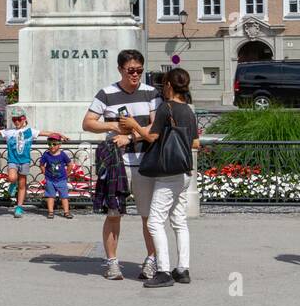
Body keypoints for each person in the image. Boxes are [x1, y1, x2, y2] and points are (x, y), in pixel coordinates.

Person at [83, 49, 159, 281]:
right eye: (131, 71)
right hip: (117, 163)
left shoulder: (151, 93)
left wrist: (132, 136)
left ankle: (151, 260)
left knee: (149, 216)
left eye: (139, 70)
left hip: (145, 161)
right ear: (120, 69)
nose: (135, 75)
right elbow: (87, 123)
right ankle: (112, 262)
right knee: (114, 214)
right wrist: (113, 127)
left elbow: (155, 129)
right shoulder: (107, 94)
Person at [121, 67, 200, 288]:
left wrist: (133, 125)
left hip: (167, 173)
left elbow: (151, 136)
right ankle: (182, 269)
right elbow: (195, 143)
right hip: (184, 172)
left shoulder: (167, 108)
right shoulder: (189, 110)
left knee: (155, 222)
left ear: (169, 86)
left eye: (164, 84)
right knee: (178, 221)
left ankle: (163, 271)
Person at [0, 107, 59, 217]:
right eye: (14, 119)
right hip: (13, 160)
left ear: (24, 119)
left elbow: (46, 133)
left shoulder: (30, 131)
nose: (17, 121)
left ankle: (19, 207)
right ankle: (13, 183)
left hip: (25, 161)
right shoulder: (9, 131)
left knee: (22, 184)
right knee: (12, 177)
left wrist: (59, 135)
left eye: (19, 119)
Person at [38, 137, 74, 219]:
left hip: (61, 179)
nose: (52, 146)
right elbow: (41, 164)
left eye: (54, 144)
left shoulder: (62, 155)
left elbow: (69, 164)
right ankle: (50, 212)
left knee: (64, 196)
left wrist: (67, 174)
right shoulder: (46, 154)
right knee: (50, 196)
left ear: (59, 145)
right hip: (50, 179)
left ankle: (66, 212)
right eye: (49, 144)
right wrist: (44, 172)